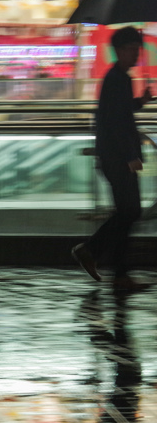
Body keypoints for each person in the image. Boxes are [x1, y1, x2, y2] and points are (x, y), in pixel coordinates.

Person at [73, 26, 153, 292]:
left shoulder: (118, 77)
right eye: (131, 49)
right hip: (118, 158)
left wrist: (139, 102)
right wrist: (130, 156)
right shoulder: (117, 78)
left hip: (114, 156)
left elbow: (119, 110)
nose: (136, 55)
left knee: (127, 212)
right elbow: (116, 121)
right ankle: (91, 251)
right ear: (119, 51)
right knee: (130, 211)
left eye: (137, 50)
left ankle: (118, 273)